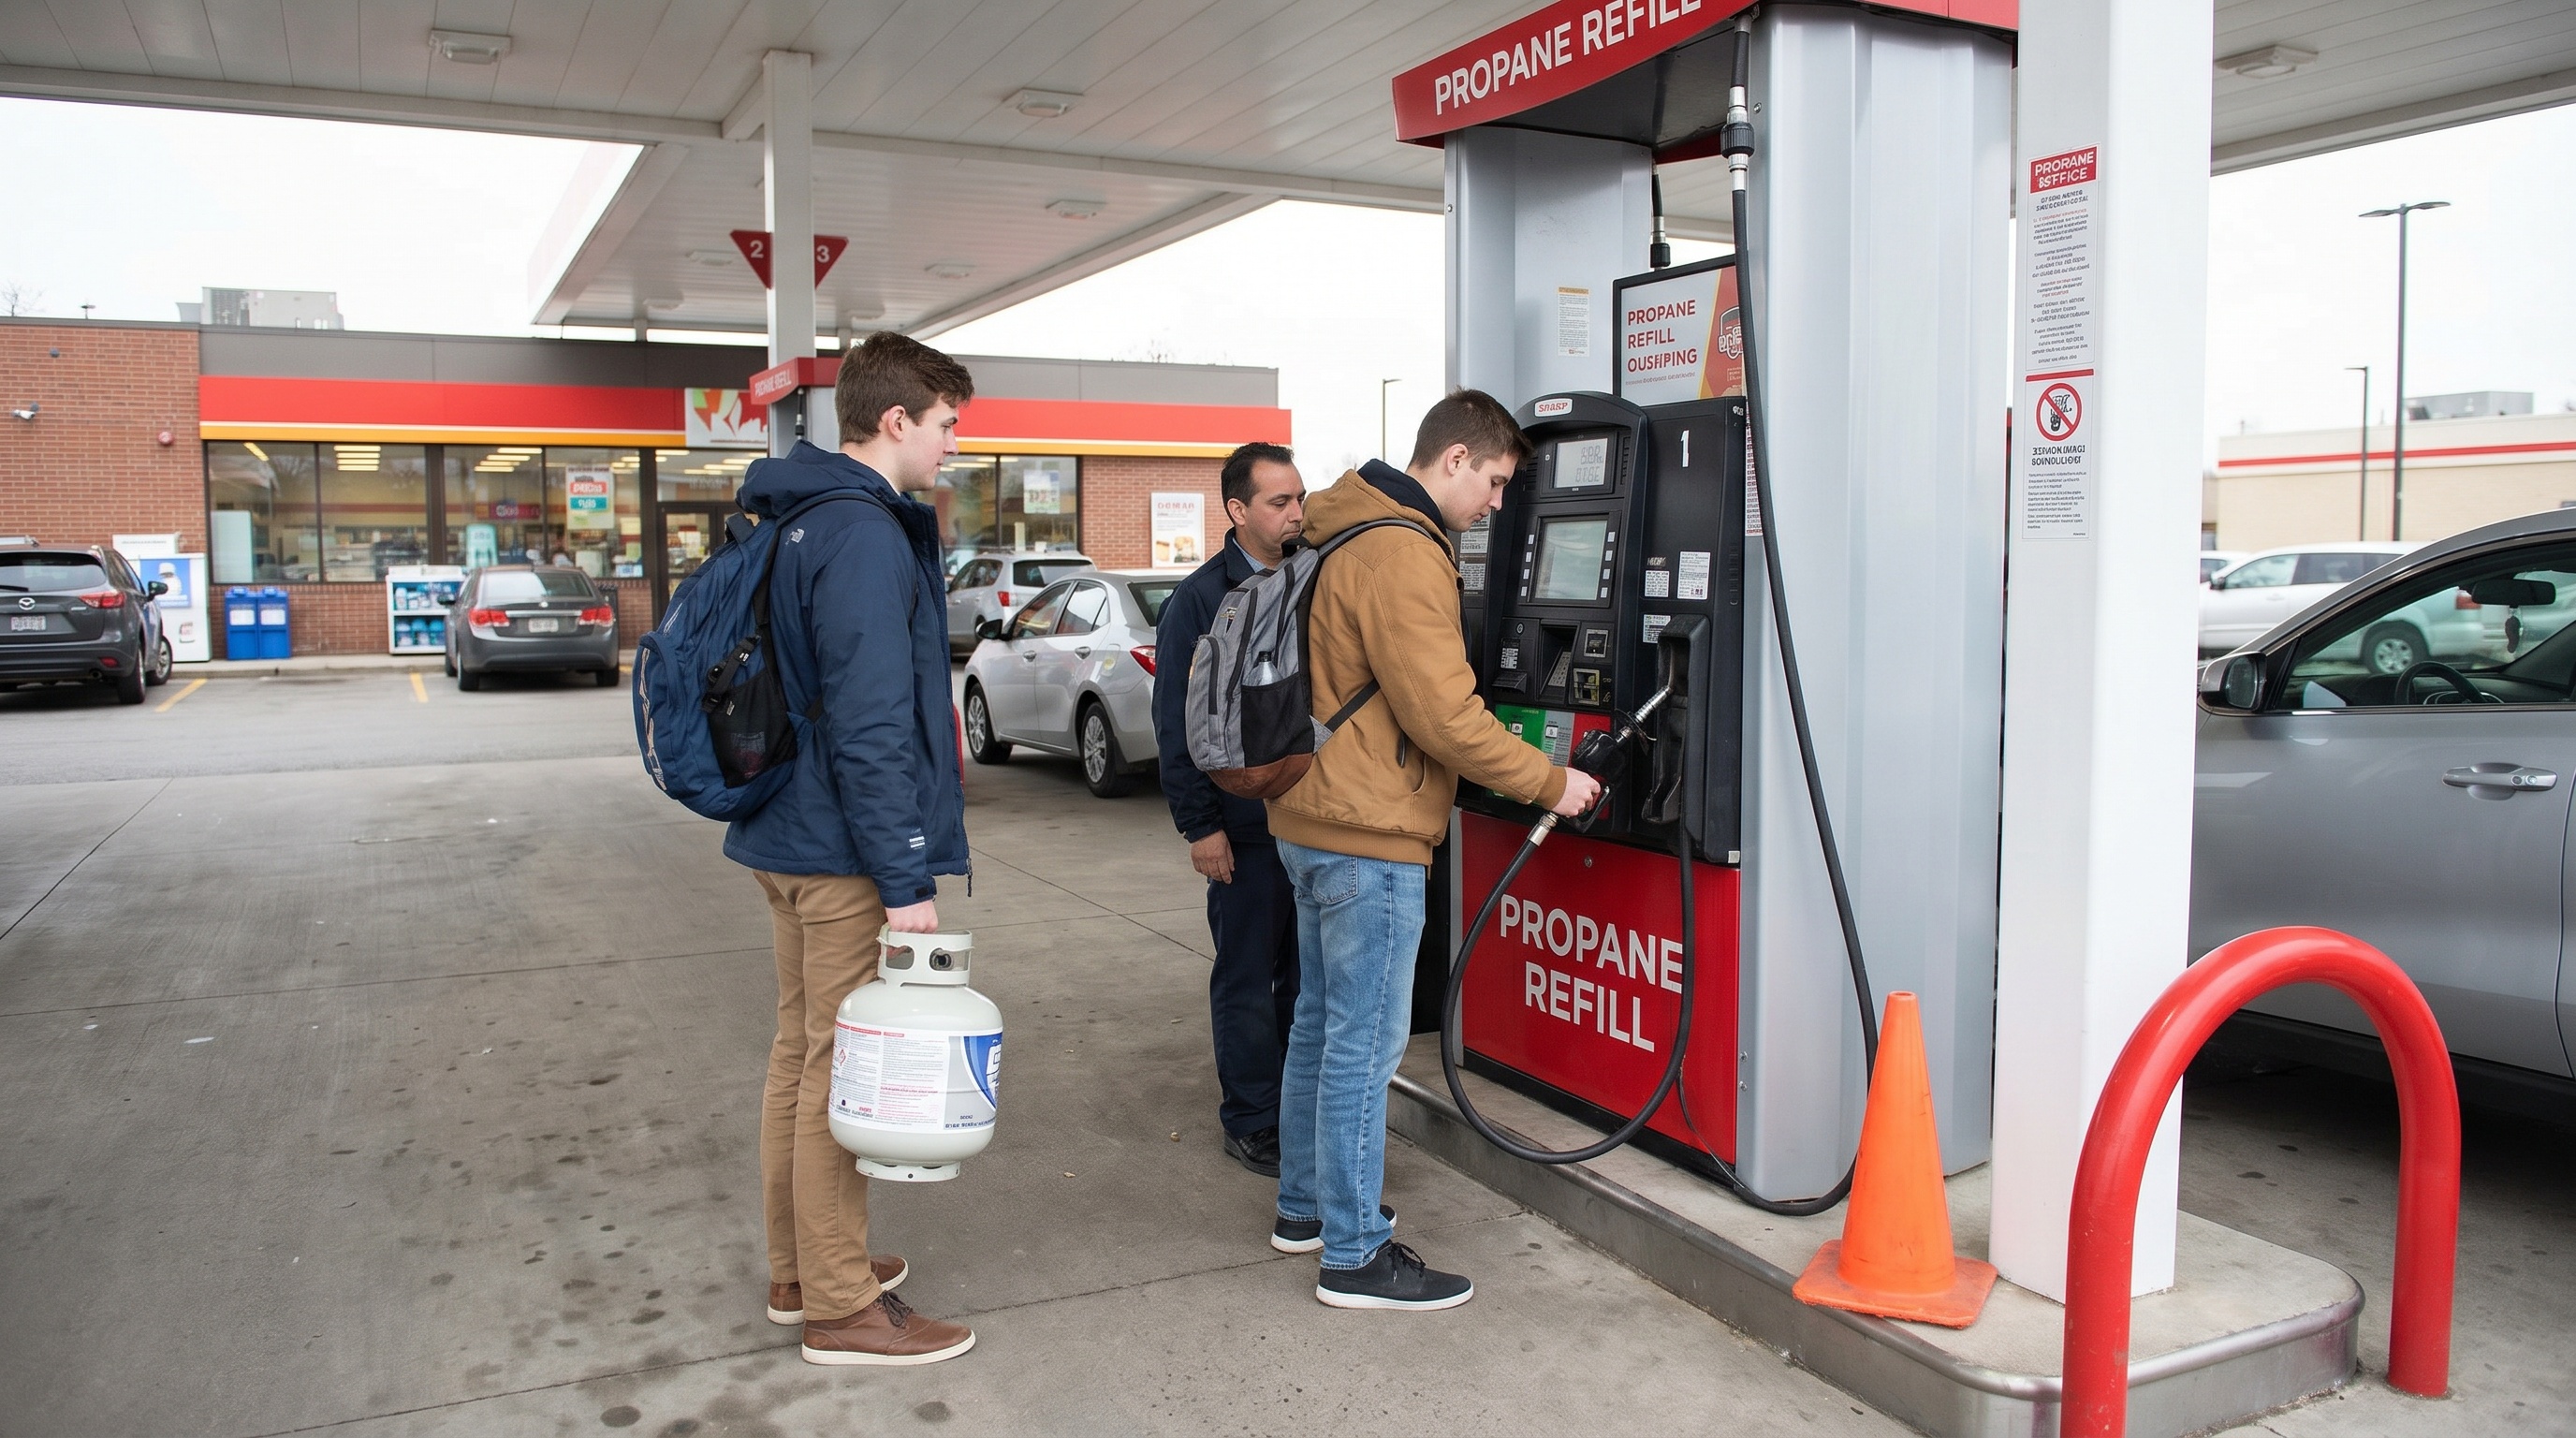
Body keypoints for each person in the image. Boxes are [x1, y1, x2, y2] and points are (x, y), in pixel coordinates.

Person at [1266, 389, 1601, 1310]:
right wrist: (1549, 781)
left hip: (1310, 814)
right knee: (1364, 1048)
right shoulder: (1403, 551)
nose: (1496, 503)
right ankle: (1355, 1255)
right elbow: (1445, 717)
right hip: (1369, 833)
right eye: (1492, 482)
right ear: (1454, 459)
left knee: (1320, 1026)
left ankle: (1305, 1210)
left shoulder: (1337, 527)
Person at [722, 331, 979, 1366]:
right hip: (839, 851)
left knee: (800, 1056)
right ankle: (839, 1305)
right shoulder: (864, 533)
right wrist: (904, 875)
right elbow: (872, 723)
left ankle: (802, 1270)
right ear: (896, 419)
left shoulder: (798, 515)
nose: (954, 443)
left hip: (787, 830)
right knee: (840, 1073)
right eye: (947, 424)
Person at [1152, 442, 1307, 1178]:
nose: (1296, 513)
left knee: (1305, 981)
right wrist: (1201, 826)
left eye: (1299, 498)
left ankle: (1298, 1110)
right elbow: (1174, 721)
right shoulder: (1200, 599)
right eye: (1280, 502)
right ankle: (1251, 1121)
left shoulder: (1313, 577)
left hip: (1313, 819)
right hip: (1241, 829)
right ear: (1238, 510)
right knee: (1248, 979)